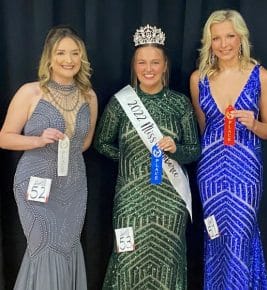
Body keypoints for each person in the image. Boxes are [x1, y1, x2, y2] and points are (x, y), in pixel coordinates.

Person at [94, 24, 200, 289]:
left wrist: (176, 149)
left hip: (170, 200)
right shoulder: (121, 102)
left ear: (165, 66)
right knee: (127, 260)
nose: (148, 68)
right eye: (142, 62)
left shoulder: (179, 103)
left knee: (168, 263)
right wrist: (131, 160)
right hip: (130, 199)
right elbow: (101, 143)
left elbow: (194, 150)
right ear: (134, 65)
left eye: (155, 62)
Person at [0, 25, 98, 290]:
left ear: (82, 57)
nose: (68, 60)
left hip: (73, 185)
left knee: (67, 247)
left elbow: (85, 143)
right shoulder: (30, 92)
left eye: (75, 53)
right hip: (35, 184)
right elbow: (5, 137)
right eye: (61, 53)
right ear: (49, 57)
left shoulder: (89, 96)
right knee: (43, 245)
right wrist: (39, 140)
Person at [190, 10, 267, 289]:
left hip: (246, 169)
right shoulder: (199, 79)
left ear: (241, 37)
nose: (224, 44)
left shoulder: (261, 77)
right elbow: (204, 128)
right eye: (217, 38)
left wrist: (253, 123)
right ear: (209, 42)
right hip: (211, 173)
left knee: (241, 235)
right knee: (215, 238)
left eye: (230, 36)